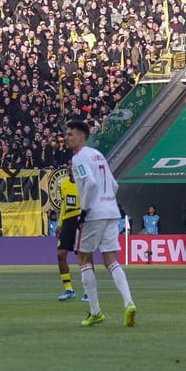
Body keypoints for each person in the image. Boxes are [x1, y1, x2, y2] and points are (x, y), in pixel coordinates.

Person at [66, 120, 136, 328]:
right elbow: (113, 185)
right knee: (111, 260)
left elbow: (91, 182)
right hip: (111, 210)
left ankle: (95, 311)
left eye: (70, 134)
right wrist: (107, 202)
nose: (67, 138)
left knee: (84, 258)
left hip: (94, 213)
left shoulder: (78, 158)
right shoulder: (98, 155)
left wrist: (85, 209)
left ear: (81, 136)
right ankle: (129, 303)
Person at [55, 172, 82, 301]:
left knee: (84, 256)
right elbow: (64, 204)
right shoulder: (64, 183)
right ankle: (68, 289)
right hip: (67, 221)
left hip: (80, 220)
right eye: (70, 167)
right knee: (61, 254)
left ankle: (89, 291)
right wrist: (60, 224)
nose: (71, 169)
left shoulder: (85, 183)